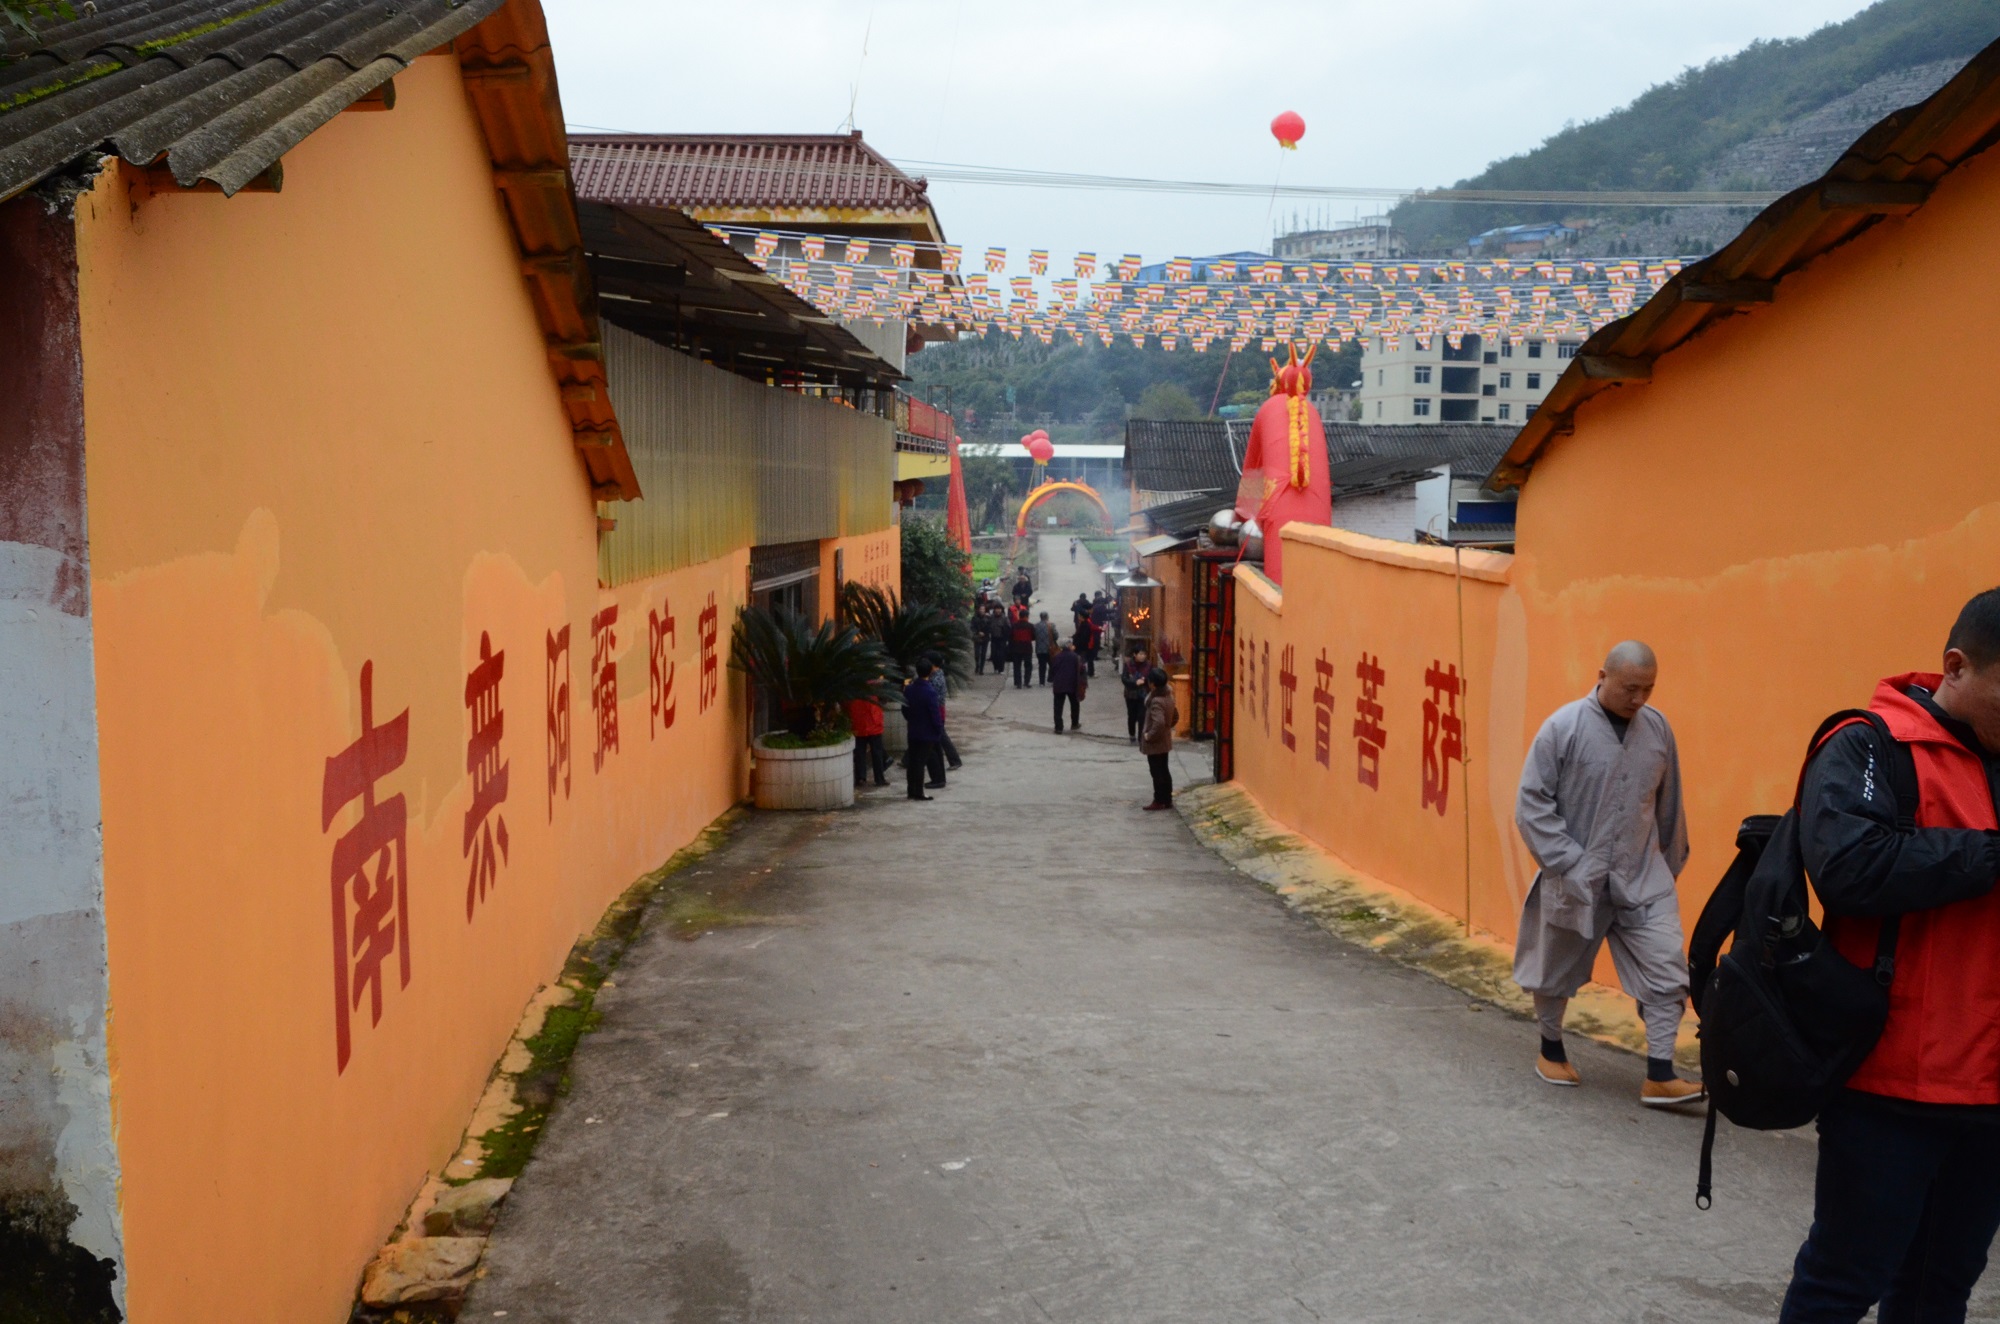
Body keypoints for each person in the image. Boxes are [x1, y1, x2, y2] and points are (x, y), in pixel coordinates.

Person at [1777, 589, 2000, 1323]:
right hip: (1891, 1085)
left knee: (1940, 1292)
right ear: (1955, 667)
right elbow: (1848, 866)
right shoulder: (1868, 745)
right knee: (1842, 1283)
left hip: (1991, 1093)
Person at [1512, 641, 1704, 1107]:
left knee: (1667, 967)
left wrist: (1666, 866)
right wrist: (1568, 862)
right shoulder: (1563, 728)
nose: (1639, 699)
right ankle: (1551, 1048)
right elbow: (1531, 804)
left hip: (1642, 875)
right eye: (1630, 688)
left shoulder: (1657, 729)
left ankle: (1660, 1073)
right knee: (1554, 968)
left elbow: (1669, 802)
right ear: (1602, 676)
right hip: (1577, 875)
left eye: (1648, 689)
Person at [902, 659, 944, 801]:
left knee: (913, 762)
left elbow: (904, 708)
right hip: (927, 733)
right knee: (920, 762)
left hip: (913, 729)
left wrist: (911, 719)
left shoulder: (909, 689)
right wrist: (938, 729)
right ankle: (918, 792)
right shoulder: (930, 692)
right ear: (930, 672)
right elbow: (934, 714)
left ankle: (911, 790)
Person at [1140, 667, 1178, 810]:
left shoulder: (1156, 701)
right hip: (1165, 740)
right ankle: (1167, 799)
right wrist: (1168, 728)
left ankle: (1159, 800)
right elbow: (1175, 716)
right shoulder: (1169, 696)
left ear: (1153, 684)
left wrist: (1150, 735)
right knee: (1164, 770)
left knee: (1157, 772)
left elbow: (1159, 722)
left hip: (1156, 743)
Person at [926, 652, 962, 773]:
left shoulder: (936, 678)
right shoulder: (936, 674)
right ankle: (907, 760)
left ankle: (955, 760)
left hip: (936, 709)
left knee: (940, 734)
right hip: (936, 708)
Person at [848, 694, 889, 789]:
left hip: (859, 725)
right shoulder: (876, 688)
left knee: (860, 754)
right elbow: (883, 700)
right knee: (877, 754)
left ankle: (860, 778)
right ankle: (879, 779)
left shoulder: (854, 690)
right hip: (874, 725)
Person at [1051, 639, 1085, 733]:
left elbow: (1053, 670)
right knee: (1074, 705)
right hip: (1072, 684)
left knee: (1058, 707)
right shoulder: (1075, 657)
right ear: (1069, 646)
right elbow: (1081, 669)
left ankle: (1058, 727)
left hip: (1059, 685)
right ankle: (1074, 723)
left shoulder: (1057, 657)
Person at [1122, 645, 1153, 743]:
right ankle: (1132, 734)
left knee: (1142, 716)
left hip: (1144, 694)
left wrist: (1146, 680)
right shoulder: (1128, 665)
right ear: (1135, 654)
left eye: (1144, 654)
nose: (1143, 656)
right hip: (1131, 695)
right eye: (1140, 654)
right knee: (1132, 716)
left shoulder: (1149, 665)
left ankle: (1141, 738)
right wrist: (1135, 682)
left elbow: (1153, 677)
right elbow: (1124, 679)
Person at [1008, 608, 1036, 689]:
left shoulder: (1014, 625)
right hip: (1027, 648)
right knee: (1028, 665)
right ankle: (1026, 682)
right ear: (1027, 616)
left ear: (1019, 616)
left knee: (1017, 666)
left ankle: (1018, 683)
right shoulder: (1030, 626)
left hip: (1016, 648)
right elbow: (1034, 637)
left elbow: (1011, 637)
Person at [1034, 612, 1055, 686]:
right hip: (1049, 648)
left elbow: (1033, 636)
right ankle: (1051, 679)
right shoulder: (1051, 625)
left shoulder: (1035, 626)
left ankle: (1041, 682)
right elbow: (1056, 635)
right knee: (1052, 664)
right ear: (1047, 617)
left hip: (1039, 649)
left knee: (1042, 666)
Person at [973, 608, 991, 676]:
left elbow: (990, 627)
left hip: (985, 637)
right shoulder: (975, 618)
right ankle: (977, 664)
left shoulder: (988, 618)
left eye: (983, 609)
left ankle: (981, 669)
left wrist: (985, 633)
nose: (981, 610)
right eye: (980, 609)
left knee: (983, 654)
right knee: (977, 653)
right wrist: (978, 632)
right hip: (977, 637)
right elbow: (972, 627)